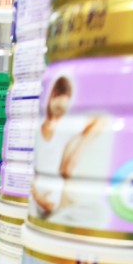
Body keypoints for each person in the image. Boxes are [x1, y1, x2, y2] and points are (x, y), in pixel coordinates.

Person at [31, 76, 107, 217]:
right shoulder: (36, 127)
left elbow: (100, 120)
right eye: (58, 104)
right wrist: (37, 197)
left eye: (63, 108)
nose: (60, 112)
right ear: (51, 98)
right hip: (35, 205)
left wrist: (76, 152)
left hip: (54, 208)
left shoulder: (66, 127)